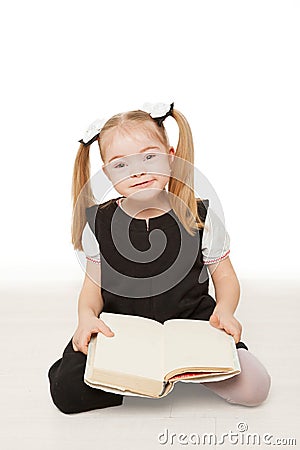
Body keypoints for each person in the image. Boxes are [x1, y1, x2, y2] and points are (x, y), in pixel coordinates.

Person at [48, 102, 271, 414]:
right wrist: (86, 317)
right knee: (66, 389)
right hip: (125, 333)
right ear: (107, 173)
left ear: (171, 155)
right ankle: (141, 378)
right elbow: (91, 290)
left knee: (255, 387)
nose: (138, 171)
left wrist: (225, 311)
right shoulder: (99, 223)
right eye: (121, 164)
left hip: (193, 326)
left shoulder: (199, 216)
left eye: (149, 156)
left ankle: (184, 370)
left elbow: (225, 278)